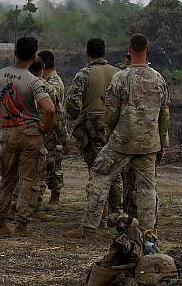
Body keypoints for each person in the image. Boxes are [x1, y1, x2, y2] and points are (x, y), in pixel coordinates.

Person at [65, 34, 170, 239]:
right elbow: (164, 114)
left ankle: (89, 226)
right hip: (148, 143)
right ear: (147, 50)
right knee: (147, 188)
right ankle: (148, 231)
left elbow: (111, 112)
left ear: (129, 50)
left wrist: (109, 131)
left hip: (121, 141)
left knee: (100, 175)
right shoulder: (158, 79)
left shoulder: (121, 78)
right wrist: (162, 141)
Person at [0, 36, 55, 238]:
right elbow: (49, 110)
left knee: (7, 179)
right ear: (34, 57)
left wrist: (4, 121)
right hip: (30, 133)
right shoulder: (33, 81)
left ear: (14, 52)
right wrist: (42, 128)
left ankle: (0, 224)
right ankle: (21, 225)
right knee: (29, 180)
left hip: (7, 132)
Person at [65, 37, 122, 215]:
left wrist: (75, 117)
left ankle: (99, 212)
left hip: (93, 127)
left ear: (87, 53)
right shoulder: (119, 73)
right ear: (104, 52)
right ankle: (117, 210)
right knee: (115, 169)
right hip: (116, 128)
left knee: (96, 170)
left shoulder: (84, 74)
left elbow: (72, 102)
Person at [37, 50, 70, 211]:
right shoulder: (47, 81)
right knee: (46, 165)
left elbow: (58, 113)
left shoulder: (53, 83)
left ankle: (55, 196)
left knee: (53, 166)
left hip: (53, 132)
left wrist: (63, 137)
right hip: (46, 130)